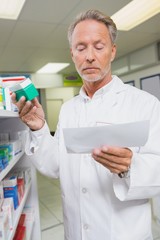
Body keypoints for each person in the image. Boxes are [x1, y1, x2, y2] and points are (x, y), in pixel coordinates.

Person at [11, 9, 160, 240]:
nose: (89, 56)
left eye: (99, 46)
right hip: (76, 232)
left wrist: (130, 166)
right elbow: (54, 166)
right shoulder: (69, 109)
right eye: (81, 48)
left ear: (112, 51)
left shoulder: (145, 104)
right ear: (72, 54)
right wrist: (38, 128)